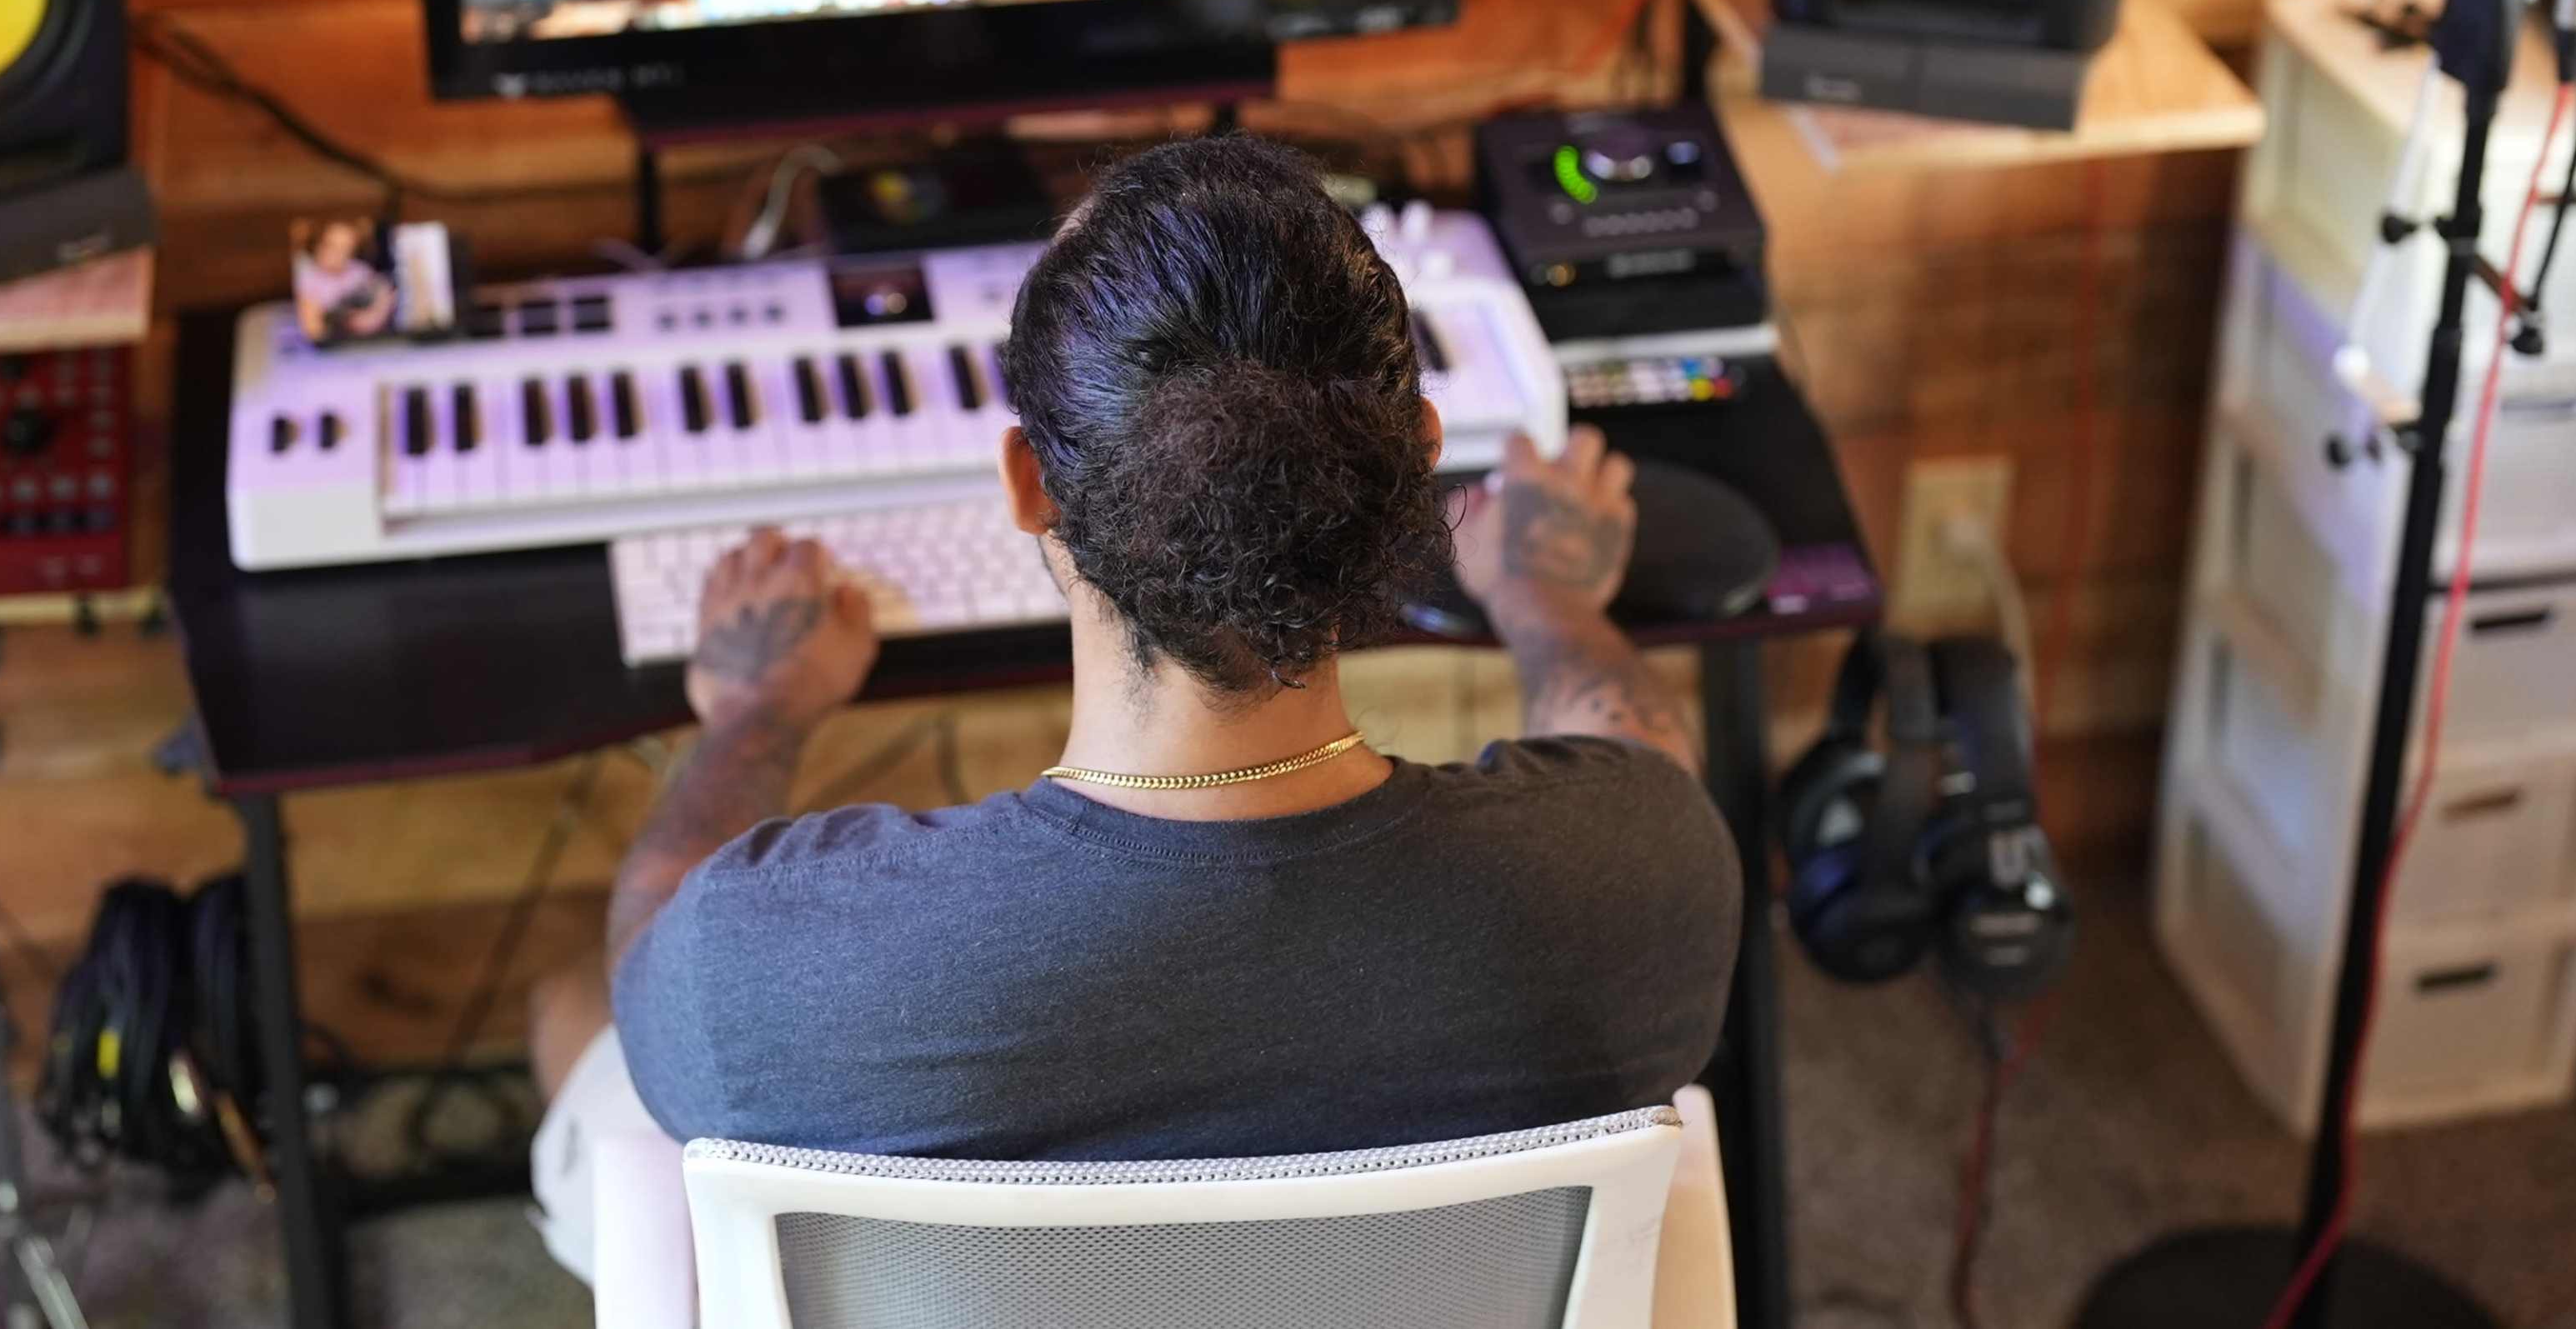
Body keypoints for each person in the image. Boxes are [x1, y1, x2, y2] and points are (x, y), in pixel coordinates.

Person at [525, 135, 1739, 1286]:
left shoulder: (759, 966)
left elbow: (650, 946)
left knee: (572, 1003)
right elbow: (1644, 756)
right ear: (1419, 463)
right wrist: (1550, 604)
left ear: (1029, 487)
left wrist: (755, 712)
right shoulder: (1645, 878)